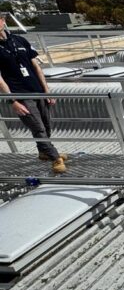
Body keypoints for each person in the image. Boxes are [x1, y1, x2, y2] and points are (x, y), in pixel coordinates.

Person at [0, 10, 67, 174]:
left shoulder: (20, 40)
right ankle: (55, 158)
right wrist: (13, 101)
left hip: (37, 90)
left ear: (3, 21)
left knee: (46, 124)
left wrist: (46, 90)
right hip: (20, 95)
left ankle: (44, 151)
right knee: (37, 128)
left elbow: (36, 66)